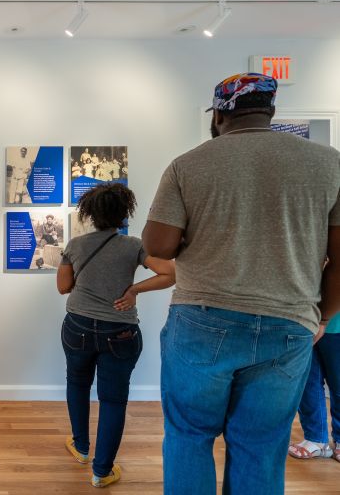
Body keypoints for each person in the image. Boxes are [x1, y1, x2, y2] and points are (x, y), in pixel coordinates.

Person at [143, 73, 340, 495]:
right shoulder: (329, 163)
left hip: (201, 319)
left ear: (218, 115)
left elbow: (158, 246)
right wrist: (322, 318)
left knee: (190, 435)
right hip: (289, 323)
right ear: (271, 111)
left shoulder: (188, 164)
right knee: (261, 446)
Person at [57, 183, 176, 488]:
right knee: (113, 400)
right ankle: (102, 472)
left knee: (77, 384)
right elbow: (170, 273)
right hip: (119, 331)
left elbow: (63, 287)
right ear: (124, 214)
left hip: (78, 327)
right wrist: (134, 289)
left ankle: (81, 448)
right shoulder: (133, 246)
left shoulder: (75, 245)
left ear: (90, 213)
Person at [288, 313, 340, 461]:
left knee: (338, 384)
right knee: (307, 383)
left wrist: (323, 322)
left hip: (336, 325)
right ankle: (315, 439)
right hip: (304, 322)